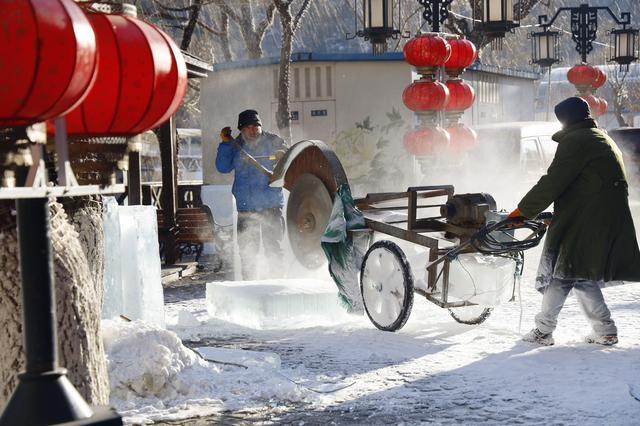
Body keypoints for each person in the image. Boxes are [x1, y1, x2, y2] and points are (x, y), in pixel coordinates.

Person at [509, 96, 640, 346]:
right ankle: (605, 329)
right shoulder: (600, 137)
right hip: (601, 215)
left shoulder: (577, 141)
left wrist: (522, 212)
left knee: (563, 270)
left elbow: (553, 181)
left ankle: (543, 331)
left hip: (586, 217)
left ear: (565, 120)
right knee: (580, 272)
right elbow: (583, 183)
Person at [216, 109, 288, 280]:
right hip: (246, 208)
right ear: (241, 129)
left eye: (256, 126)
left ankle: (277, 284)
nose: (252, 130)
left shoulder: (272, 140)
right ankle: (249, 286)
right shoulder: (235, 145)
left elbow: (288, 154)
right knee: (248, 251)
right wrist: (226, 144)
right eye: (248, 127)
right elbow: (223, 167)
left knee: (274, 249)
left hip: (271, 206)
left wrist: (282, 154)